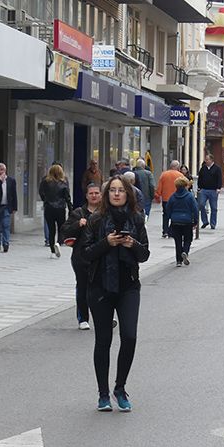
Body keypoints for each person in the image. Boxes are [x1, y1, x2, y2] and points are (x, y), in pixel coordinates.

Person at [81, 175, 150, 413]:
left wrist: (133, 245)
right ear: (107, 194)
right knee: (104, 340)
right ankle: (103, 394)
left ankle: (120, 388)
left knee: (129, 336)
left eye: (121, 190)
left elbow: (145, 254)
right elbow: (85, 254)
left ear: (128, 194)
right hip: (100, 287)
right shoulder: (96, 220)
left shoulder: (137, 219)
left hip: (128, 286)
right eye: (113, 190)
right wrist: (107, 243)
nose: (117, 194)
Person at [61, 183, 102, 331]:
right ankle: (83, 318)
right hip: (81, 258)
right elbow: (65, 231)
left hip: (100, 257)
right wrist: (78, 224)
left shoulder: (105, 213)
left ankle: (104, 316)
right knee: (83, 288)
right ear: (86, 196)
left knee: (101, 289)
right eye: (91, 193)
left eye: (97, 193)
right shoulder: (78, 213)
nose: (94, 195)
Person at [39, 164, 72, 258]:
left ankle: (52, 250)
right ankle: (59, 242)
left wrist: (45, 200)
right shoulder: (64, 182)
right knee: (61, 227)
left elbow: (41, 192)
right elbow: (67, 196)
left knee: (51, 229)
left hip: (49, 208)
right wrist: (70, 208)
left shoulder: (45, 181)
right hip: (60, 208)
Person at [165, 177, 198, 268]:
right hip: (187, 221)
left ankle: (178, 261)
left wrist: (170, 218)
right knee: (188, 239)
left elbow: (168, 209)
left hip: (175, 221)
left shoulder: (173, 196)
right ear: (185, 185)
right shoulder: (190, 196)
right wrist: (195, 221)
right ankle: (185, 252)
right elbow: (195, 209)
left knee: (177, 241)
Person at [0, 162, 18, 253]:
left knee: (5, 225)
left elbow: (14, 194)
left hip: (6, 206)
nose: (0, 171)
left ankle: (5, 243)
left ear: (5, 170)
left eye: (2, 170)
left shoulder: (11, 180)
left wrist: (14, 207)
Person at [154, 160, 185, 239]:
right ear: (177, 167)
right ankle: (171, 231)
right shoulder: (180, 175)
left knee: (166, 215)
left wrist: (157, 196)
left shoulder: (164, 175)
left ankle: (165, 231)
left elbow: (159, 187)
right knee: (175, 214)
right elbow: (184, 187)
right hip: (177, 198)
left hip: (166, 199)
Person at [198, 154, 222, 230]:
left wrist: (218, 188)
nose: (206, 161)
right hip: (204, 190)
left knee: (214, 208)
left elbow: (219, 178)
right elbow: (200, 178)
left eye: (207, 159)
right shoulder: (203, 168)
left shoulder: (217, 168)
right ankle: (205, 221)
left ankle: (213, 223)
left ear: (211, 160)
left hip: (213, 190)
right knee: (201, 205)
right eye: (206, 159)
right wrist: (199, 187)